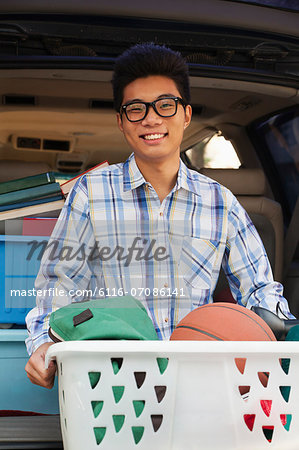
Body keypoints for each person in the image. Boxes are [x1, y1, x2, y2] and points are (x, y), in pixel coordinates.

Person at [25, 42, 294, 389]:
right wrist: (42, 344)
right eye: (136, 109)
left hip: (200, 379)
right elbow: (59, 286)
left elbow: (259, 289)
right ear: (121, 122)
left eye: (165, 105)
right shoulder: (90, 194)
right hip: (113, 381)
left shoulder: (219, 202)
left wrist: (282, 329)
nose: (151, 118)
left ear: (185, 114)